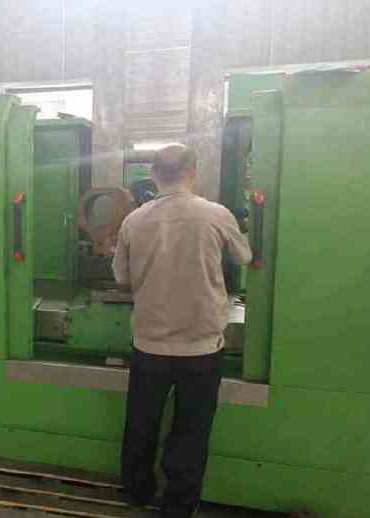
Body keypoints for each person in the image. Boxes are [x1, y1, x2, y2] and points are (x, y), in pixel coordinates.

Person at [112, 144, 252, 518]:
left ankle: (137, 492)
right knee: (191, 431)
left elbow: (121, 278)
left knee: (141, 423)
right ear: (193, 173)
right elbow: (245, 257)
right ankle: (178, 506)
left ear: (153, 175)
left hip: (150, 345)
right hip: (201, 348)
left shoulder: (133, 221)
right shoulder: (216, 215)